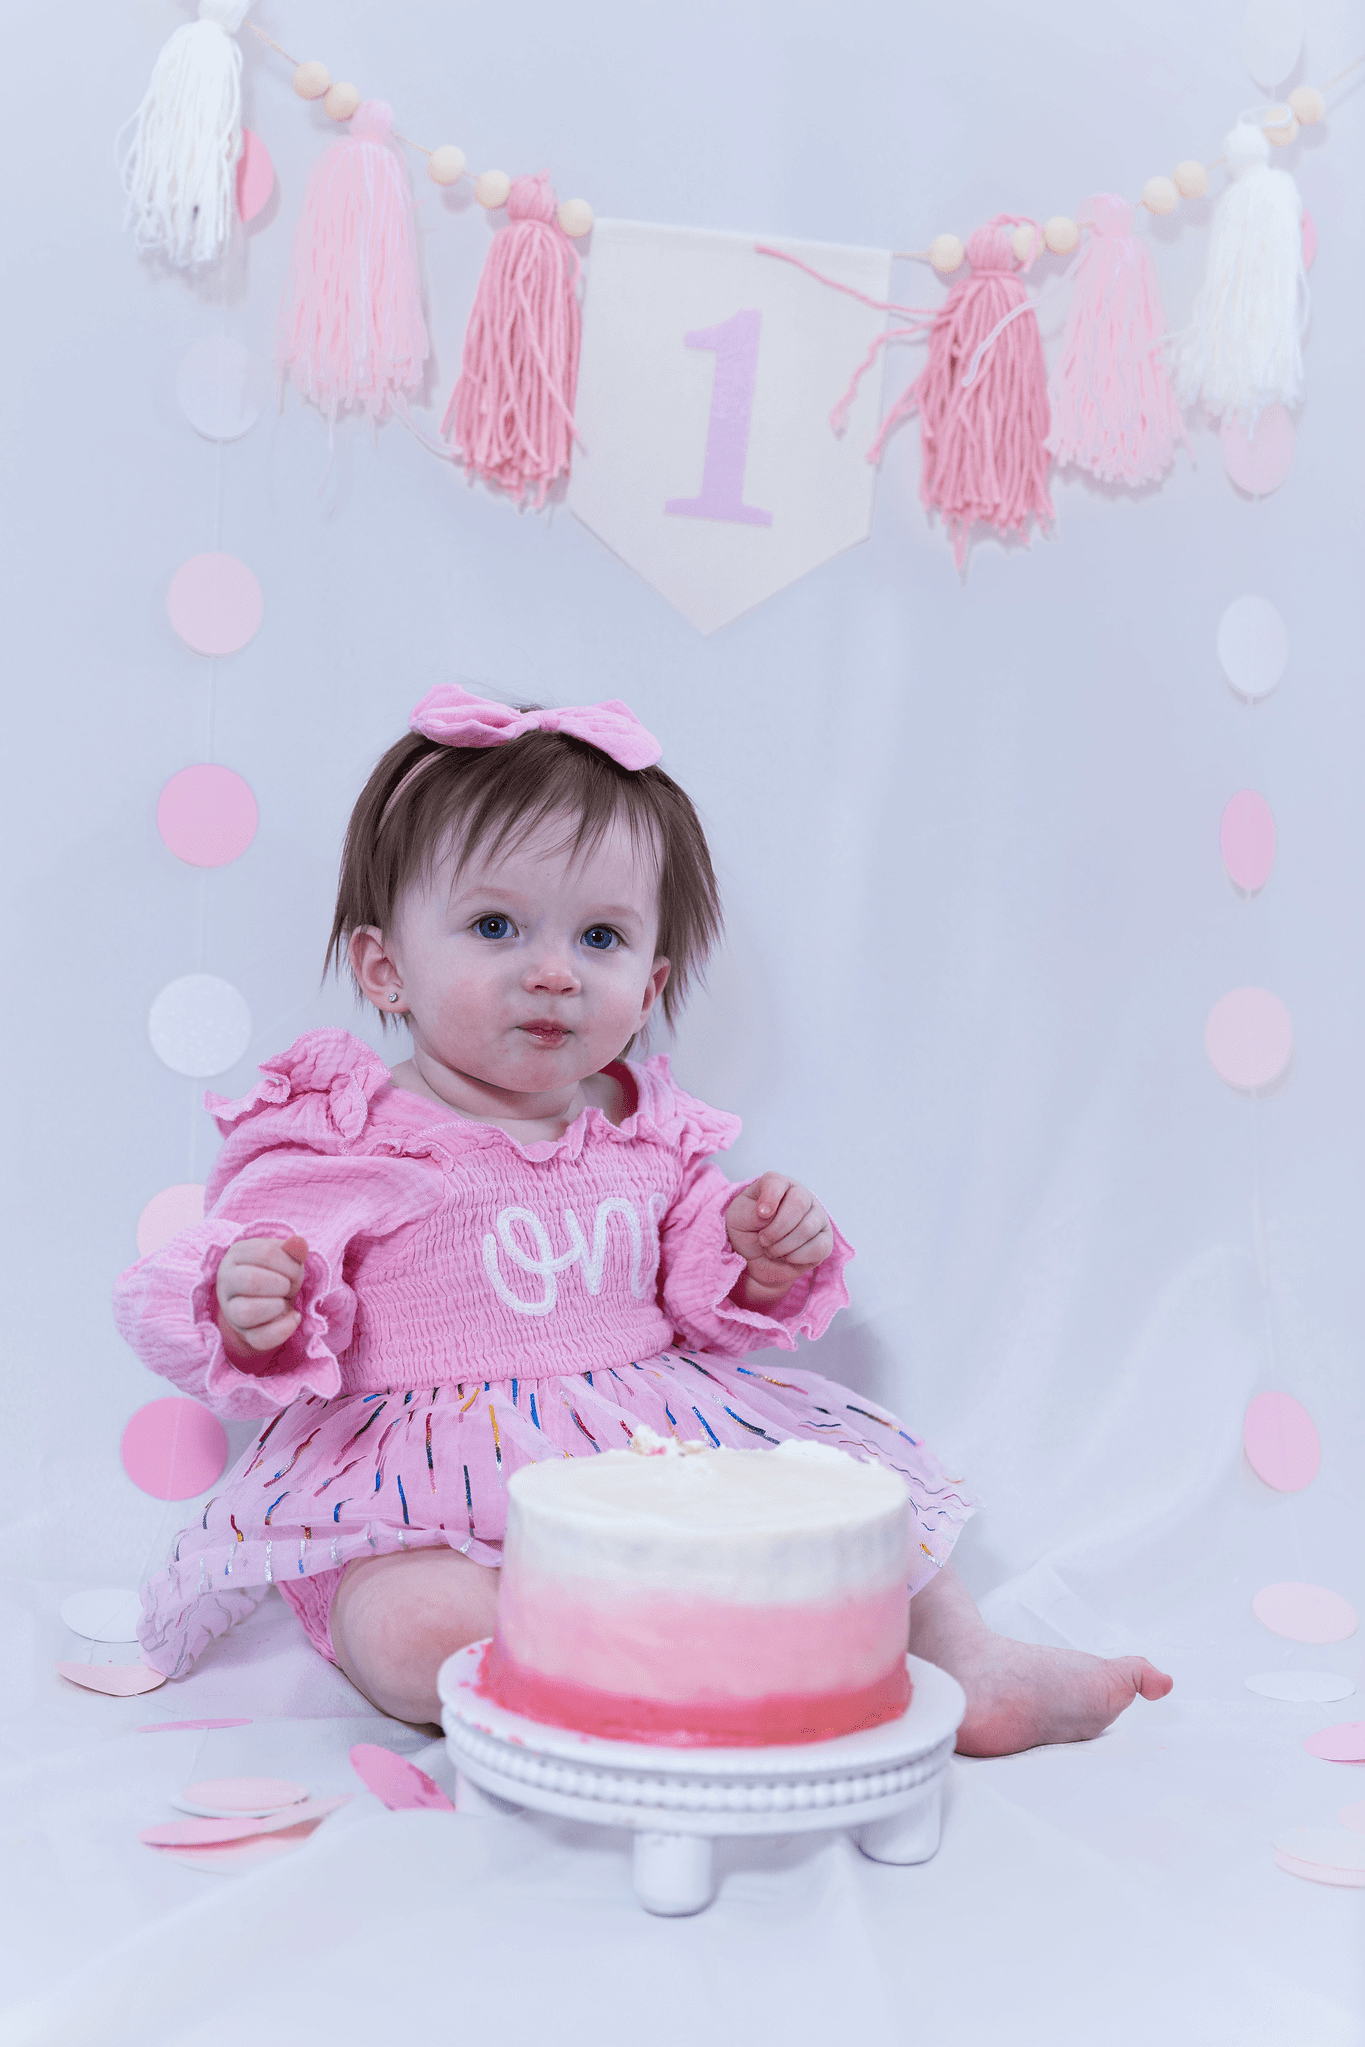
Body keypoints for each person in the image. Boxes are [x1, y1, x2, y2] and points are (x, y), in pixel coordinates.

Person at [114, 685, 1172, 1751]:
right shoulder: (345, 1133)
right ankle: (653, 1681)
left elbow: (697, 1292)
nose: (553, 970)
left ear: (653, 979)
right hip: (420, 1497)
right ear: (384, 964)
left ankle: (969, 1661)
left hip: (649, 1455)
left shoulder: (646, 1133)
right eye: (495, 925)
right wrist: (249, 1301)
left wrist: (753, 1251)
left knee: (852, 1502)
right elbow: (205, 1278)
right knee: (411, 1629)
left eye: (603, 937)